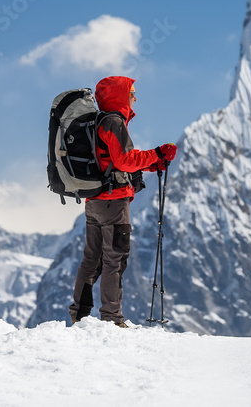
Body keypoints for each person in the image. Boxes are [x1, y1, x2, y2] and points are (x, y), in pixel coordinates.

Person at [68, 75, 177, 327]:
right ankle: (112, 318)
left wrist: (151, 164)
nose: (135, 97)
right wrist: (158, 153)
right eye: (132, 92)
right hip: (114, 204)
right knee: (114, 259)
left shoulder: (97, 122)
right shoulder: (114, 122)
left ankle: (79, 314)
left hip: (94, 201)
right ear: (120, 95)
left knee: (90, 259)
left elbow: (110, 161)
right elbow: (125, 161)